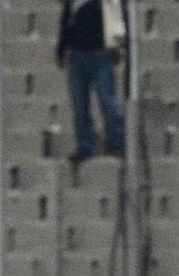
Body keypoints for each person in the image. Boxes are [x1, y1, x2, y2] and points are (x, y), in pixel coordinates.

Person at [56, 0, 123, 163]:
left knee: (109, 105)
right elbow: (65, 25)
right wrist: (60, 51)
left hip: (101, 56)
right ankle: (85, 148)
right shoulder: (72, 3)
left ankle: (118, 146)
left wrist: (117, 47)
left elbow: (116, 22)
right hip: (77, 58)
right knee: (80, 107)